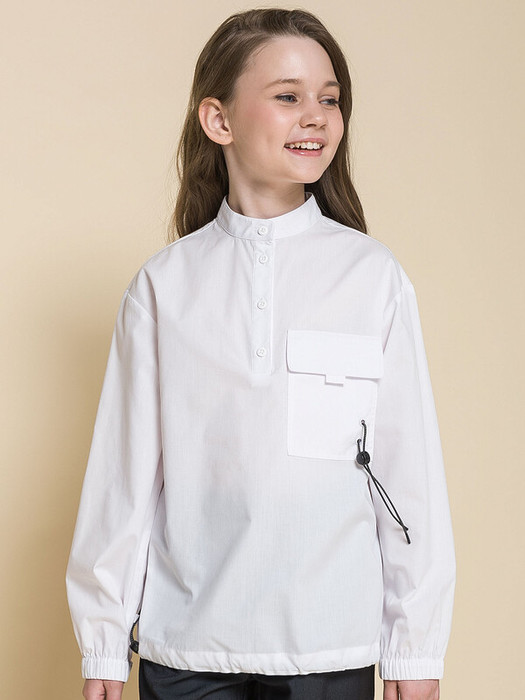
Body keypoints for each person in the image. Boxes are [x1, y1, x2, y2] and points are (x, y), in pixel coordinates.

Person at [66, 8, 455, 700]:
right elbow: (123, 479)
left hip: (328, 645)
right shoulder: (163, 287)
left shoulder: (372, 279)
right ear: (218, 120)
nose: (316, 117)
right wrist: (102, 643)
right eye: (287, 96)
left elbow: (408, 477)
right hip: (186, 648)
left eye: (329, 99)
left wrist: (414, 647)